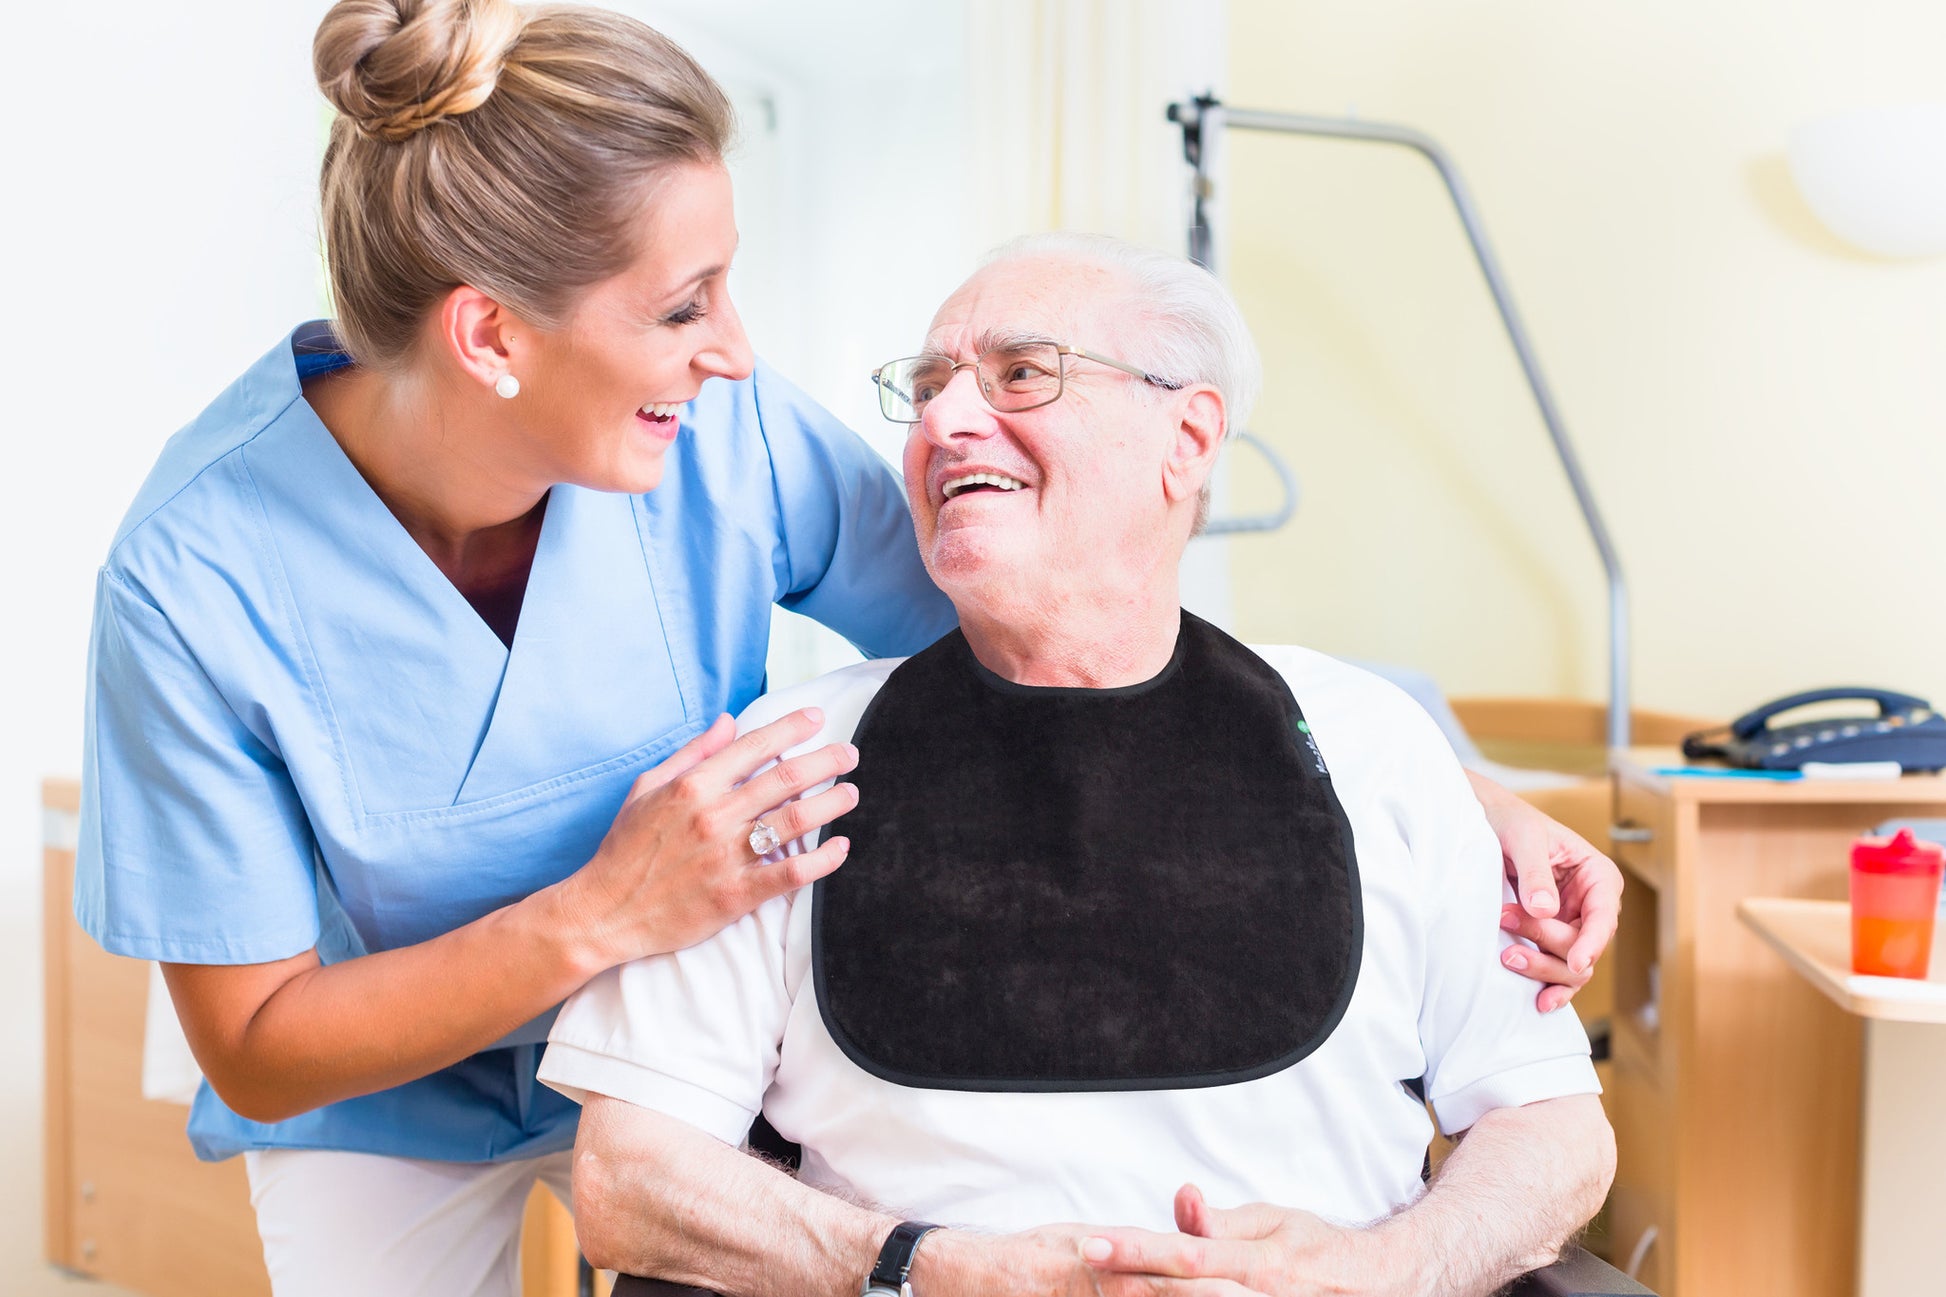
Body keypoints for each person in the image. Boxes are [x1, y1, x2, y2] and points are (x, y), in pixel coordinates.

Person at [73, 3, 1610, 1293]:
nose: (738, 347)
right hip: (388, 1093)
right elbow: (265, 1047)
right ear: (490, 337)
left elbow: (1063, 612)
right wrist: (605, 913)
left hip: (687, 1044)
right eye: (684, 304)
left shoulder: (715, 430)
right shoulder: (200, 577)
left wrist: (1435, 783)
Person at [539, 234, 1615, 1297]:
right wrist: (921, 1268)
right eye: (926, 388)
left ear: (1186, 439)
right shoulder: (788, 763)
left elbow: (1551, 1125)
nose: (943, 421)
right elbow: (627, 1176)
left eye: (1019, 374)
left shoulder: (1371, 746)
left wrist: (1386, 1272)